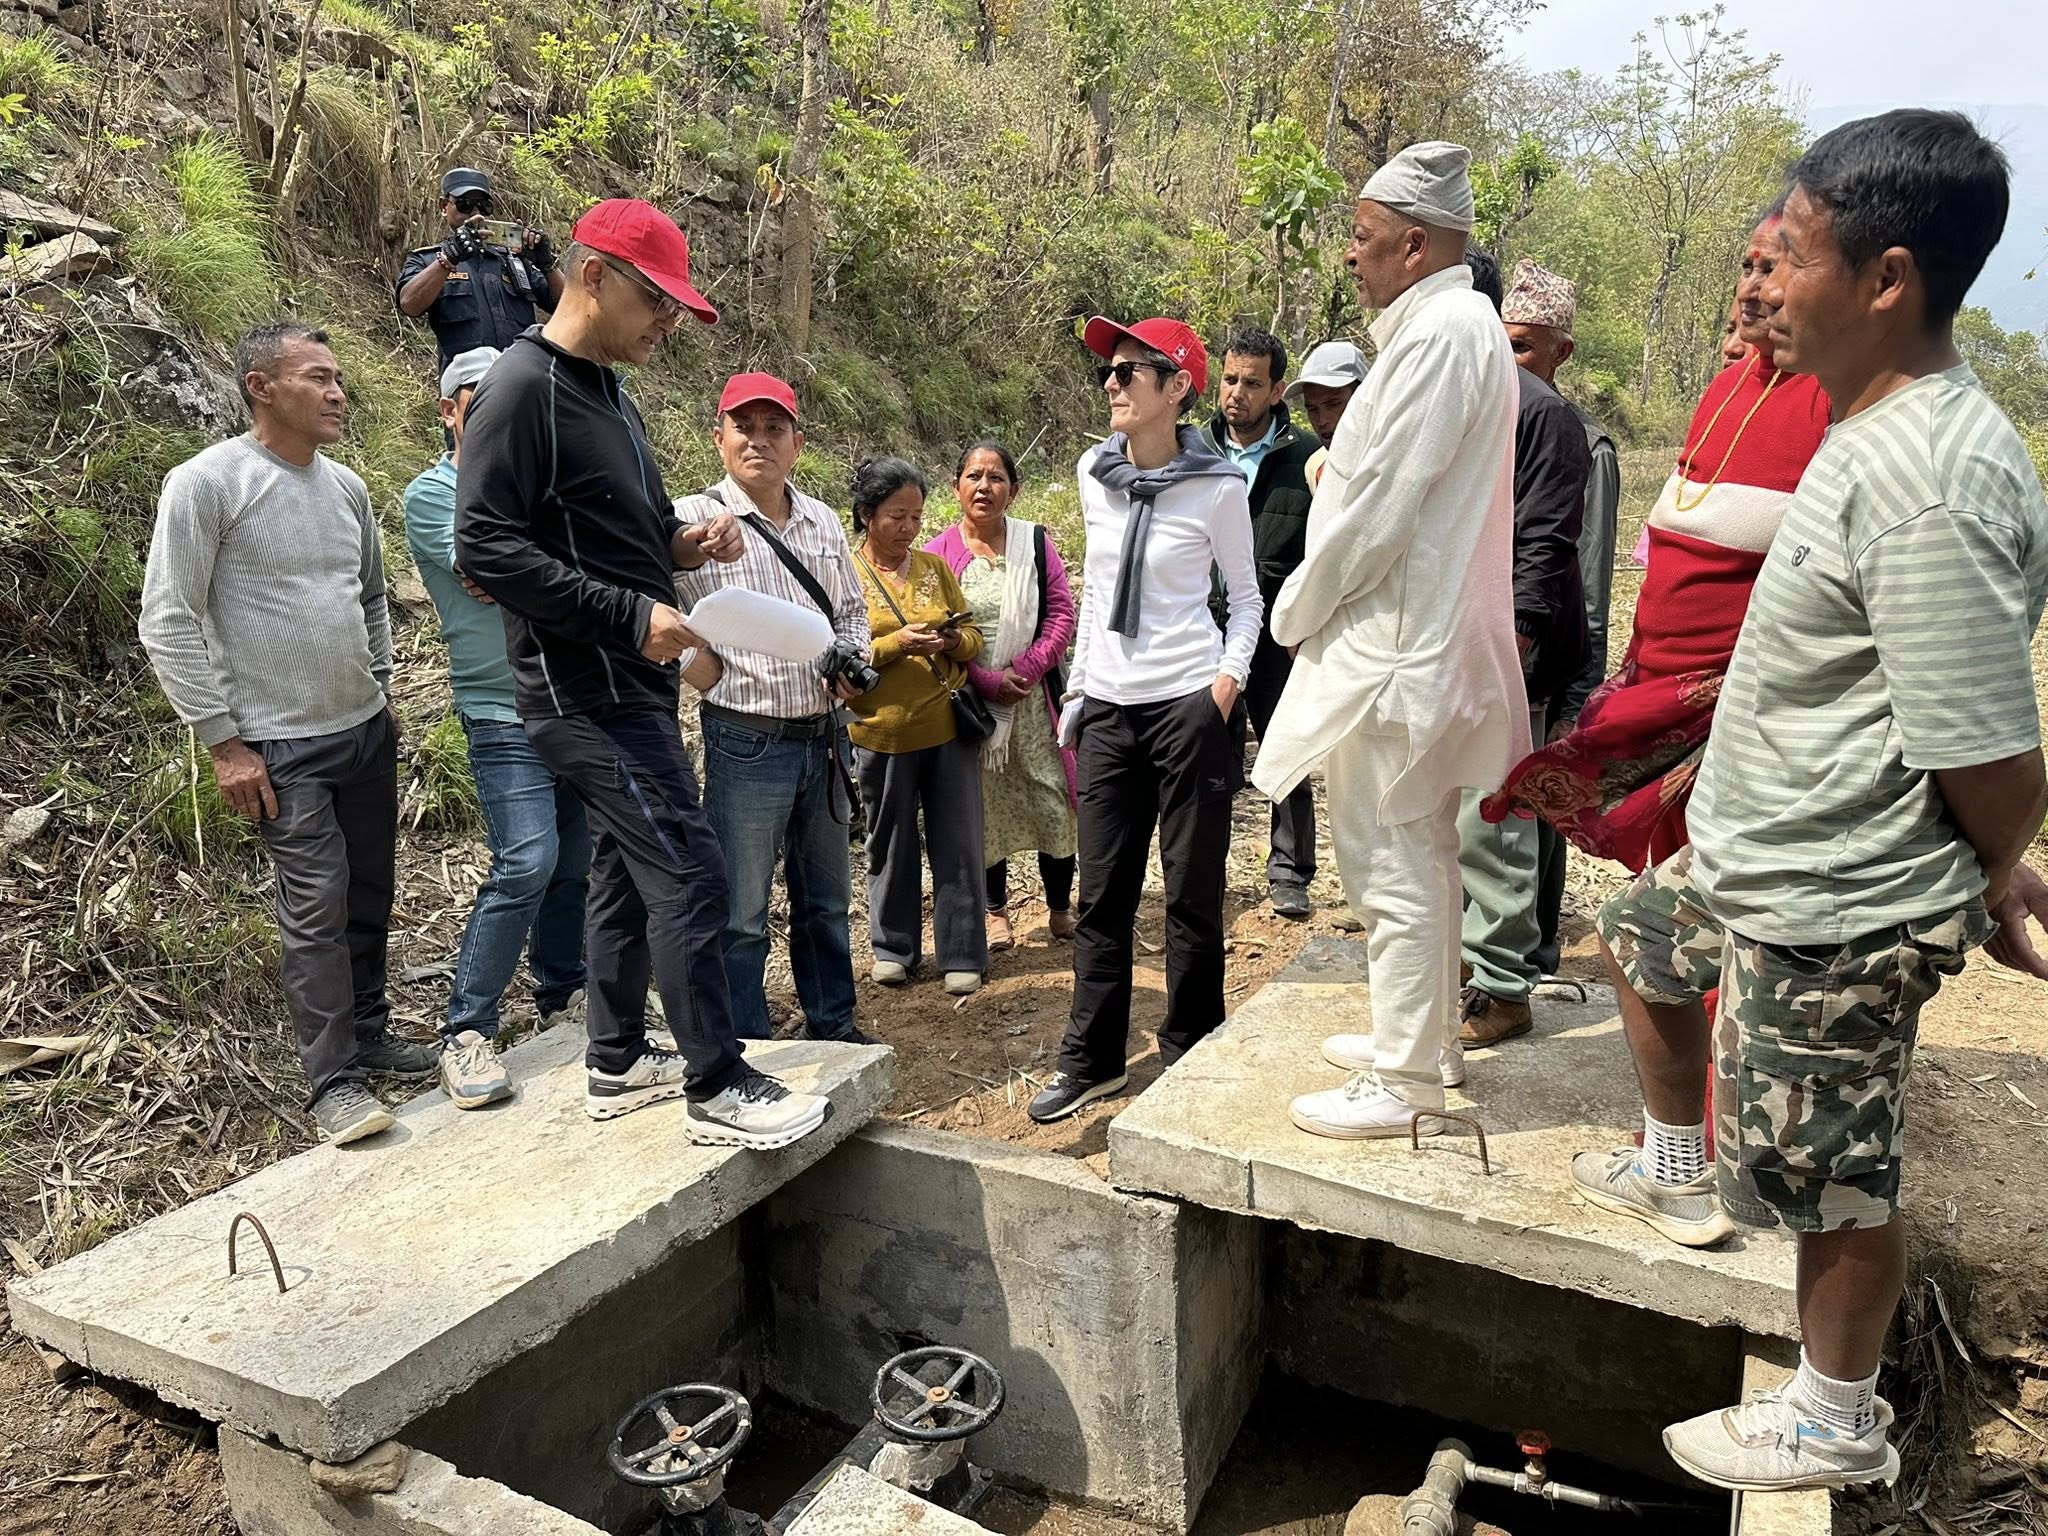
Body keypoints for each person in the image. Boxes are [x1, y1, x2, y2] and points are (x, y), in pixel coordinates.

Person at [1574, 109, 2048, 1493]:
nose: (1764, 287)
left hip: (1837, 894)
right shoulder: (1867, 420)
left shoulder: (1929, 478)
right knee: (1645, 945)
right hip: (1753, 850)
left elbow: (1993, 750)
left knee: (1829, 1174)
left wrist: (1991, 867)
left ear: (1887, 280)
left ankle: (1838, 1418)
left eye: (1789, 259)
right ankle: (1673, 1165)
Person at [455, 199, 828, 1149]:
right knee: (692, 866)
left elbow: (609, 528)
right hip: (583, 691)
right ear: (593, 276)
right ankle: (718, 1080)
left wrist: (681, 544)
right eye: (659, 301)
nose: (670, 321)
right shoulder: (518, 388)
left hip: (636, 683)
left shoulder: (609, 394)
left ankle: (616, 1056)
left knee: (626, 868)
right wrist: (628, 611)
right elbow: (487, 548)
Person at [1252, 142, 1525, 1139]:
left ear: (1414, 244)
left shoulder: (1443, 333)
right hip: (1412, 639)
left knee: (1395, 859)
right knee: (1412, 856)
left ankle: (1404, 1078)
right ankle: (1422, 1041)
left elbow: (1375, 507)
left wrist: (1294, 610)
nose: (1351, 260)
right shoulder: (1449, 326)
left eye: (1364, 243)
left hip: (1399, 645)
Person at [139, 322, 435, 1145]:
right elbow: (167, 619)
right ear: (261, 387)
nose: (339, 392)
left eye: (340, 378)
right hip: (279, 746)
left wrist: (380, 686)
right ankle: (332, 1081)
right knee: (316, 907)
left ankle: (370, 1030)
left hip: (362, 729)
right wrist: (224, 743)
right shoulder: (208, 484)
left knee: (370, 892)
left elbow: (373, 595)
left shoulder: (344, 488)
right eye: (318, 378)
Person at [1482, 211, 1829, 876]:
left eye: (1775, 271)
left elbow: (1581, 571)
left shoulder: (1832, 407)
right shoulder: (1724, 395)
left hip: (1736, 723)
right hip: (1653, 692)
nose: (1752, 292)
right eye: (1747, 270)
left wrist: (1581, 685)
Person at [1027, 316, 1260, 1123]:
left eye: (1130, 371)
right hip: (1111, 717)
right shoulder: (1096, 474)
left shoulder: (1219, 486)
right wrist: (1081, 696)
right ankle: (1092, 1060)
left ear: (1177, 387)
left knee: (1193, 895)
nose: (1112, 384)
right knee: (1103, 897)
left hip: (1187, 708)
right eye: (1110, 372)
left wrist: (1222, 691)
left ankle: (1192, 1048)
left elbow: (1247, 601)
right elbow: (1095, 595)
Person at [673, 373, 872, 1046]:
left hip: (823, 737)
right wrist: (695, 669)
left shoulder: (820, 520)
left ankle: (834, 1027)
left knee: (826, 903)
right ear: (719, 437)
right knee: (741, 912)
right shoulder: (690, 520)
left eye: (774, 429)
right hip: (744, 741)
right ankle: (748, 1046)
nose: (759, 441)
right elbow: (654, 612)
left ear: (797, 442)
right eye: (744, 427)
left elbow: (849, 608)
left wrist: (852, 667)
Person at [1447, 256, 1590, 1049]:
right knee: (1457, 809)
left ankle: (1504, 986)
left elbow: (1544, 541)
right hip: (1452, 635)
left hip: (1505, 645)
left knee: (1494, 810)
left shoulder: (1540, 415)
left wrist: (1514, 643)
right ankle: (1471, 965)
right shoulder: (1465, 400)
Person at [1492, 275, 1622, 981]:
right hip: (1507, 650)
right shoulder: (1494, 422)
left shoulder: (1583, 442)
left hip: (1554, 654)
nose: (1509, 360)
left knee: (1540, 803)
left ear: (1559, 352)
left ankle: (1535, 947)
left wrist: (1584, 689)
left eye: (1524, 348)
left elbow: (1585, 570)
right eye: (1501, 344)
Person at [924, 442, 1079, 951]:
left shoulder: (1035, 543)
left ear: (1014, 490)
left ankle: (1060, 908)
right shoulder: (938, 554)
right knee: (984, 809)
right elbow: (935, 634)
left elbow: (1062, 613)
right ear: (956, 486)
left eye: (996, 478)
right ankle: (995, 914)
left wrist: (1028, 668)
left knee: (1051, 800)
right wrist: (988, 681)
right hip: (971, 706)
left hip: (1034, 704)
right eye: (974, 476)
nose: (984, 487)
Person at [845, 458, 989, 995]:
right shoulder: (846, 572)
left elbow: (972, 636)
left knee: (958, 842)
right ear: (866, 515)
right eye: (895, 516)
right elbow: (840, 650)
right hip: (880, 732)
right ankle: (893, 948)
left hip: (946, 727)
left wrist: (951, 642)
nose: (908, 528)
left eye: (916, 517)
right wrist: (893, 646)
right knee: (890, 840)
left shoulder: (934, 569)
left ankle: (962, 952)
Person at [1205, 326, 1321, 919]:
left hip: (1278, 631)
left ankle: (1290, 871)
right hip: (1206, 630)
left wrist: (1308, 625)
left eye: (1252, 383)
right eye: (1229, 379)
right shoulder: (1191, 452)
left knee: (1285, 748)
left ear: (1277, 390)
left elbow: (1321, 549)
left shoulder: (1304, 459)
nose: (1237, 394)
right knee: (1208, 751)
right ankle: (1205, 867)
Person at [396, 169, 565, 370]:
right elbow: (409, 304)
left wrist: (547, 264)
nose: (476, 214)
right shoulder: (429, 260)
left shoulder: (514, 260)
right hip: (467, 384)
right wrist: (451, 256)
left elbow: (567, 307)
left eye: (484, 206)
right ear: (444, 206)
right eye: (465, 204)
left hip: (521, 378)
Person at [1285, 340, 1368, 492]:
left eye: (1334, 404)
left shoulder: (1394, 458)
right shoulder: (1316, 467)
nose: (1322, 420)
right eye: (1312, 409)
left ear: (1363, 398)